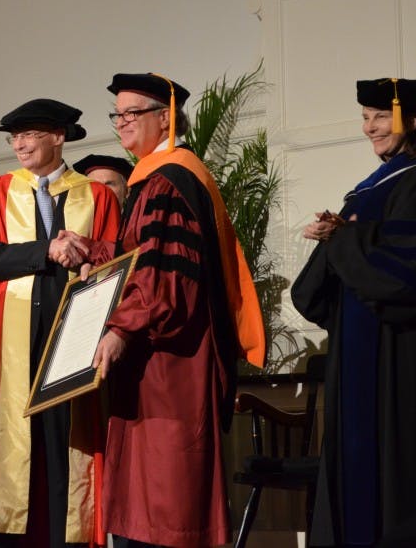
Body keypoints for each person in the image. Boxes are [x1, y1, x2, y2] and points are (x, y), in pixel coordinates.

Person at [77, 73, 265, 547]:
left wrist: (120, 328)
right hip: (152, 358)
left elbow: (167, 280)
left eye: (132, 113)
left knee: (168, 496)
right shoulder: (155, 180)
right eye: (116, 115)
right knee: (150, 494)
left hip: (170, 361)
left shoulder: (169, 182)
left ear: (166, 118)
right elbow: (142, 258)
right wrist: (91, 251)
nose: (121, 123)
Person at [291, 78, 416, 546]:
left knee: (396, 473)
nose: (371, 127)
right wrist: (334, 236)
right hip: (359, 360)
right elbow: (322, 290)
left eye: (381, 117)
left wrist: (343, 238)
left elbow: (404, 275)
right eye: (366, 118)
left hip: (401, 360)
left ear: (412, 121)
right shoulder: (368, 189)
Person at [0, 98, 121, 547]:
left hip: (75, 328)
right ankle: (14, 537)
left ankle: (66, 536)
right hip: (12, 329)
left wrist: (86, 247)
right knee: (16, 435)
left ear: (58, 136)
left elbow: (117, 256)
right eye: (14, 137)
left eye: (29, 135)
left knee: (66, 436)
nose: (19, 145)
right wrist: (46, 250)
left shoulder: (98, 194)